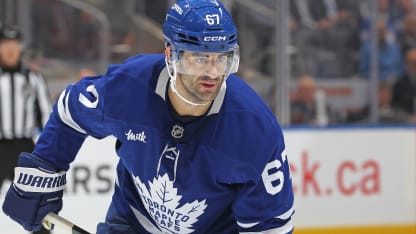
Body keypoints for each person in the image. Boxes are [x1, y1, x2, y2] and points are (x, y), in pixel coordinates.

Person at [2, 1, 295, 233]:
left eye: (222, 58)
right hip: (134, 221)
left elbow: (270, 226)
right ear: (171, 55)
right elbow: (71, 110)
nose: (213, 72)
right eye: (200, 58)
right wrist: (43, 170)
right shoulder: (129, 88)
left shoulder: (254, 131)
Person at [0, 25, 52, 234]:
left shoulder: (33, 78)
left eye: (14, 44)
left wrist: (46, 152)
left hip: (24, 148)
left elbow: (47, 115)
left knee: (35, 204)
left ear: (20, 46)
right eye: (5, 44)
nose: (10, 49)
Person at [392, 48, 416, 122]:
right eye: (410, 62)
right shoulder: (399, 84)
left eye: (415, 62)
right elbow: (395, 106)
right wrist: (407, 118)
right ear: (406, 64)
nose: (414, 65)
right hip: (405, 124)